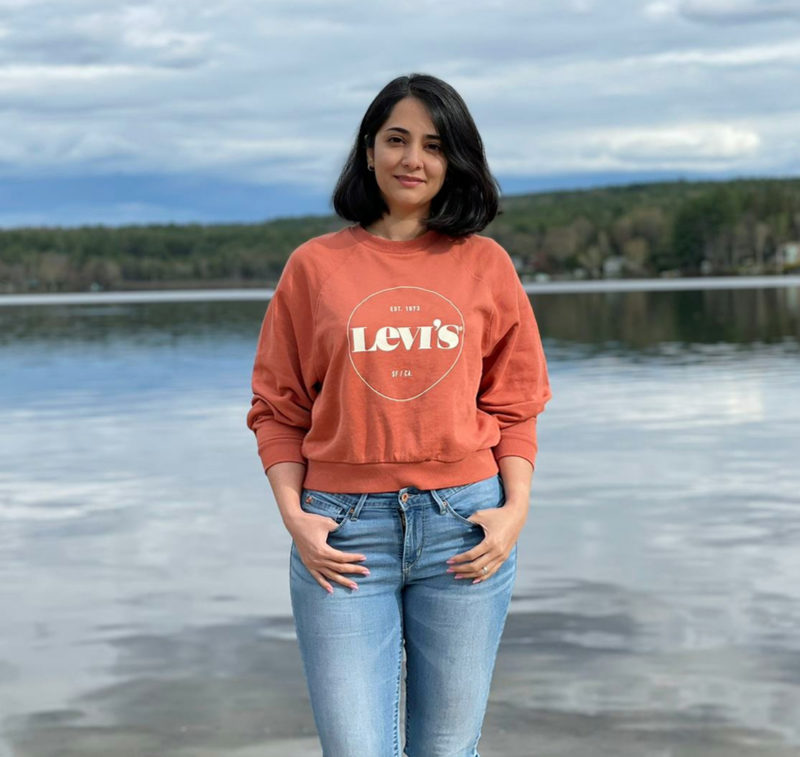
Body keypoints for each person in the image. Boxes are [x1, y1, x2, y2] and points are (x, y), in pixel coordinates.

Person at [247, 73, 551, 757]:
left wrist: (515, 510)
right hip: (343, 536)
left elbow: (516, 403)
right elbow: (276, 408)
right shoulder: (314, 267)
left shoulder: (486, 265)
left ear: (455, 160)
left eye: (435, 145)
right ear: (369, 149)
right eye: (397, 139)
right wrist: (295, 516)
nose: (414, 159)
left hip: (465, 530)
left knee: (446, 749)